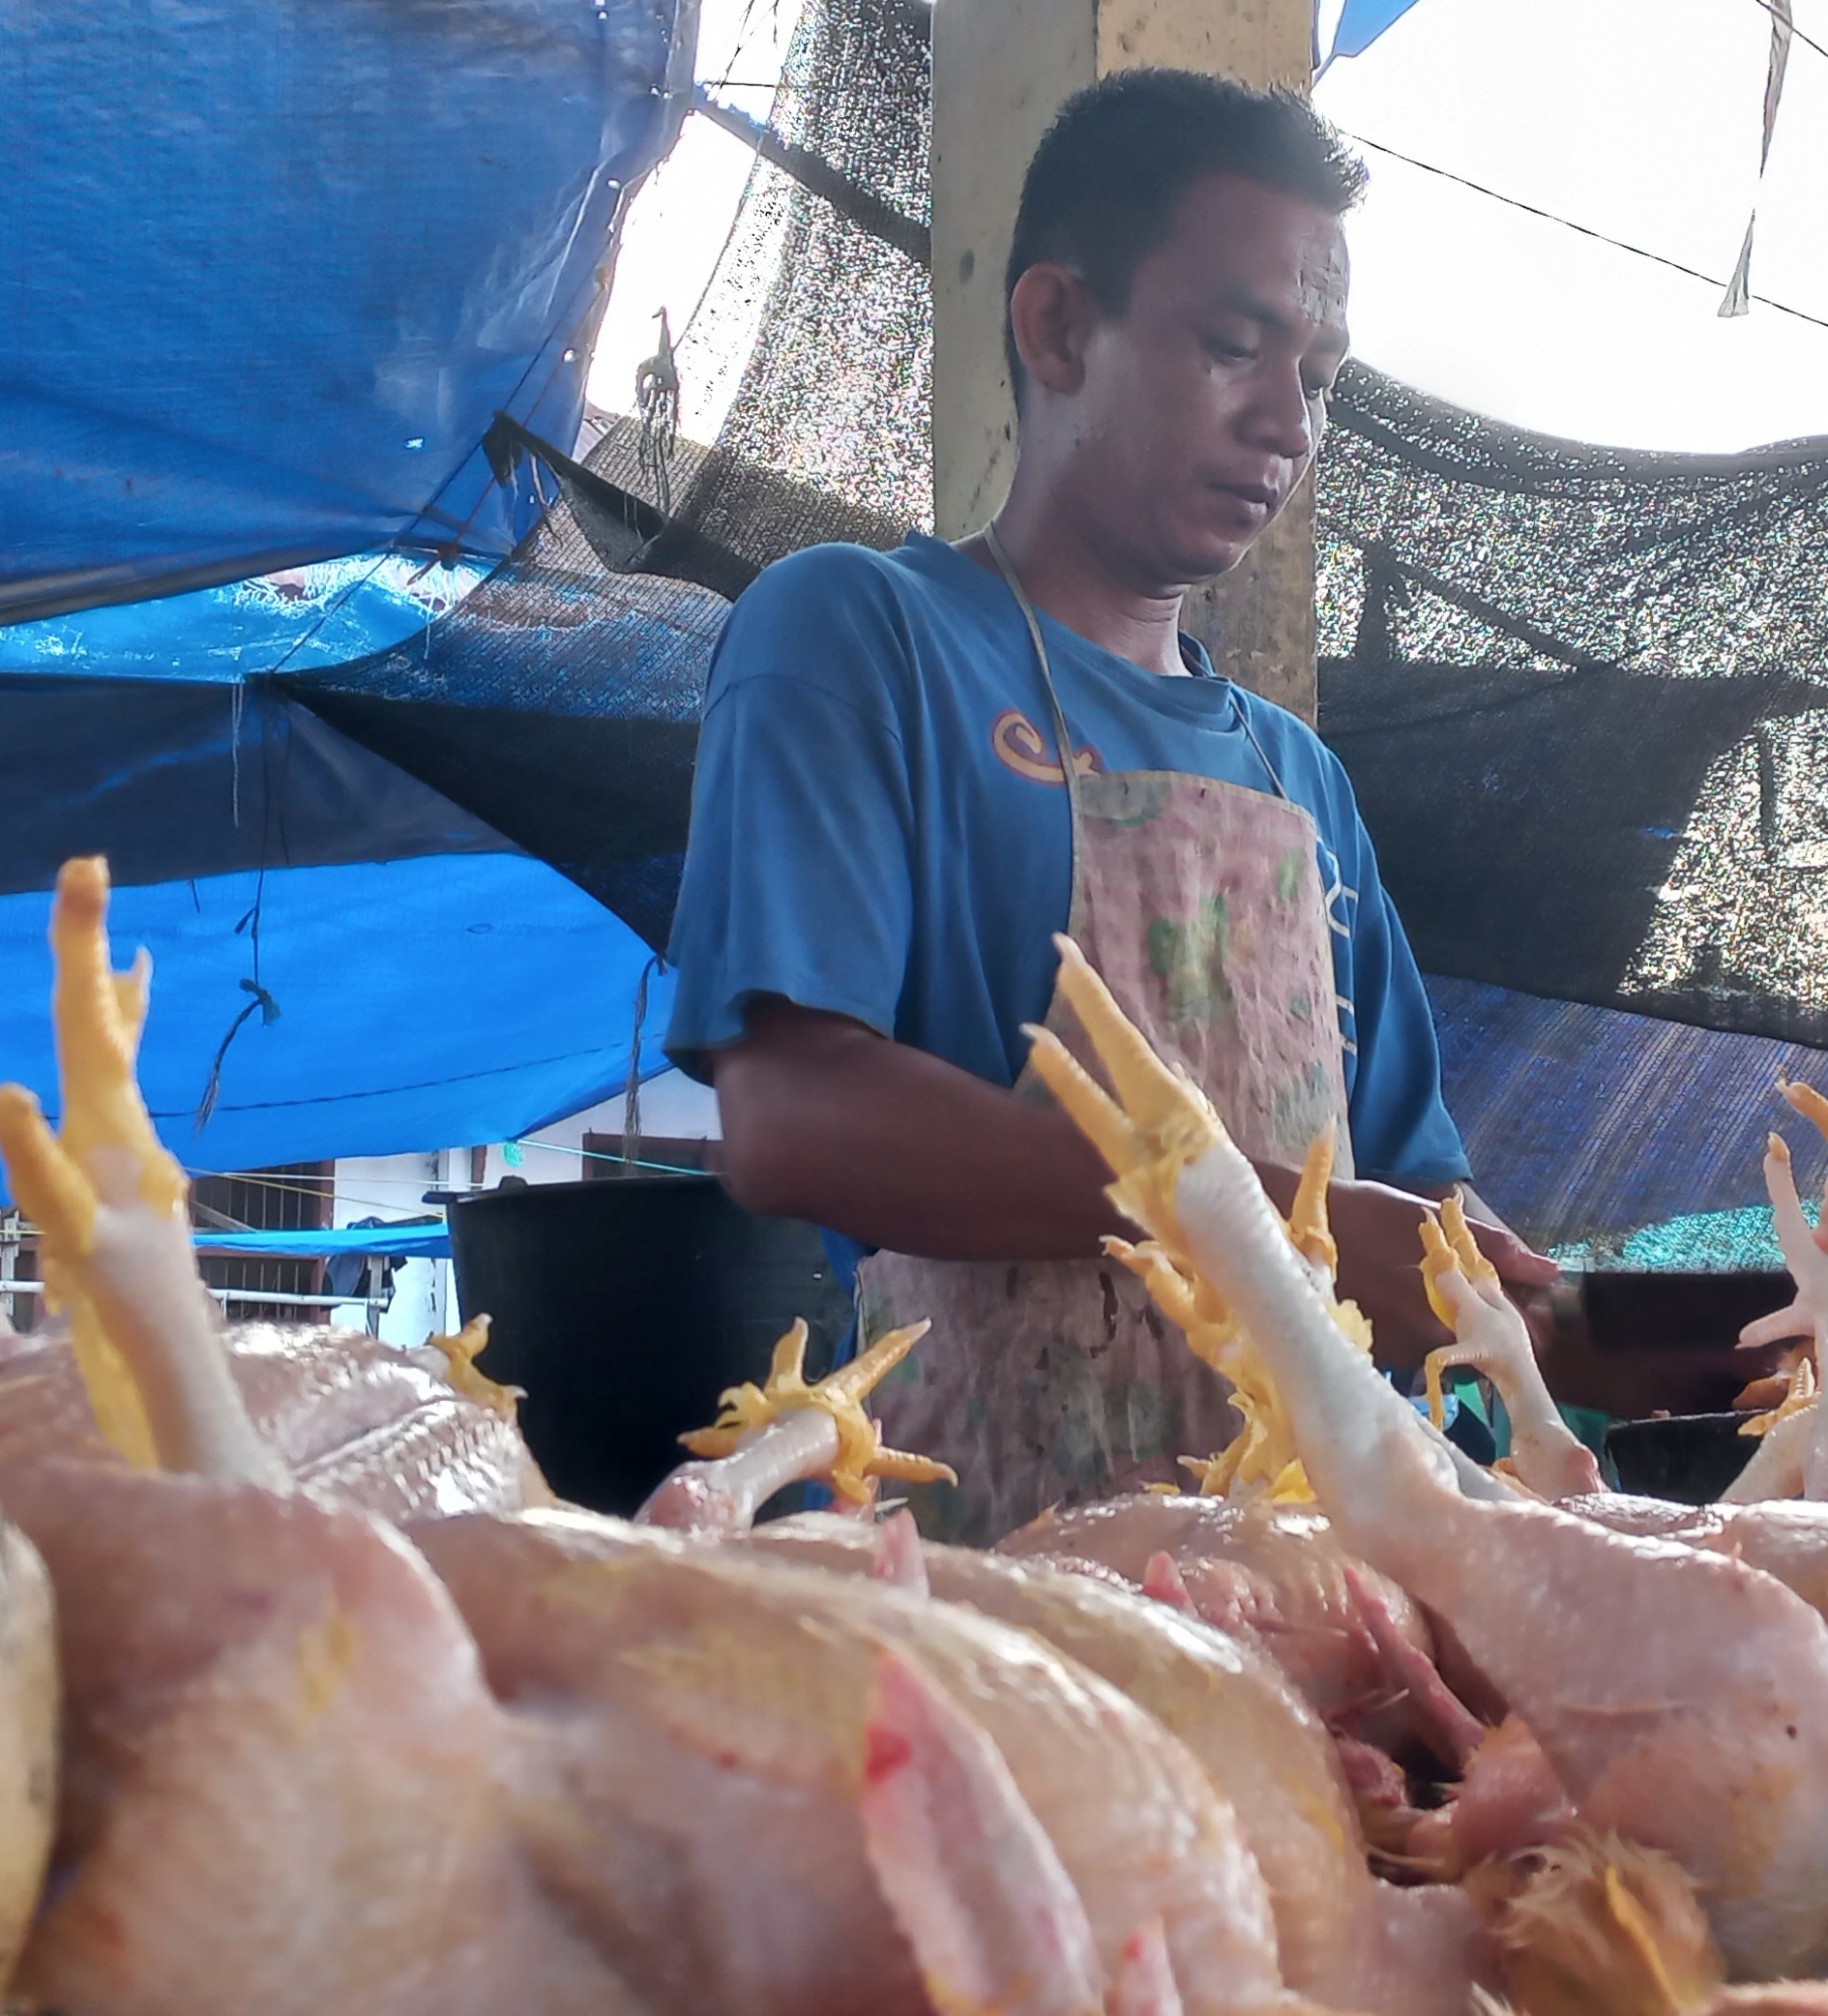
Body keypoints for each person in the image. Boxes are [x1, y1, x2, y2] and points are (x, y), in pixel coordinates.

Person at [665, 69, 1555, 1542]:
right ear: (1060, 325)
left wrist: (1562, 1322)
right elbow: (792, 1115)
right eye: (1233, 347)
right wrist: (1259, 1226)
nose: (1290, 423)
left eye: (1320, 381)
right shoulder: (864, 637)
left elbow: (1421, 1224)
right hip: (984, 1590)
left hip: (1320, 1592)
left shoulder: (1303, 784)